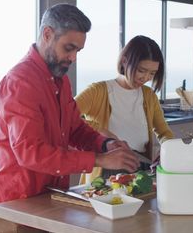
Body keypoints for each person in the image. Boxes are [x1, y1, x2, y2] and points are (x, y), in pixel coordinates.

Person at [0, 3, 141, 218]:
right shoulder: (20, 82)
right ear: (47, 34)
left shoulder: (61, 81)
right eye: (69, 48)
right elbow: (31, 153)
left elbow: (75, 130)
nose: (73, 57)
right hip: (17, 202)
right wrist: (99, 160)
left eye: (78, 50)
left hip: (50, 197)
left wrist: (106, 144)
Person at [75, 35, 174, 182]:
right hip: (107, 170)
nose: (145, 77)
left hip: (140, 166)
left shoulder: (149, 96)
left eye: (152, 73)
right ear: (125, 61)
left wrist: (169, 149)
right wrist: (101, 130)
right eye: (141, 70)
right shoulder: (97, 91)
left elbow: (163, 131)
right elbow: (65, 116)